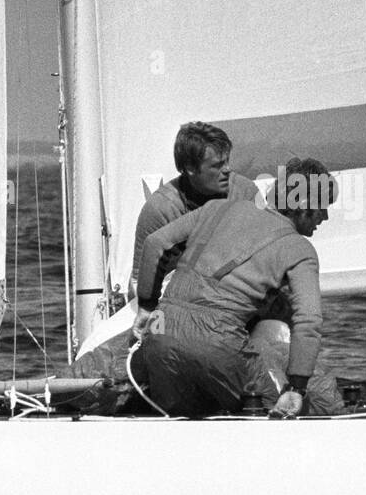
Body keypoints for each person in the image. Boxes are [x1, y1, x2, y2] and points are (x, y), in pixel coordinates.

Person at [132, 157, 335, 418]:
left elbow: (154, 243)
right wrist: (297, 387)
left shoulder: (216, 208)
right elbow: (308, 321)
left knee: (184, 419)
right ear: (305, 206)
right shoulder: (300, 250)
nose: (326, 216)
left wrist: (147, 307)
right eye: (324, 208)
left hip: (159, 333)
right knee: (297, 411)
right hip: (219, 344)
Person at [128, 121, 260, 300]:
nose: (228, 169)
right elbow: (138, 285)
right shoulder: (160, 210)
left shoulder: (245, 192)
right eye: (217, 165)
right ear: (190, 168)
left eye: (227, 161)